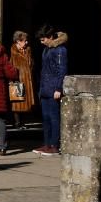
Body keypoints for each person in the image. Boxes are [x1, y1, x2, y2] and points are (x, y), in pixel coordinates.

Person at [35, 25, 68, 157]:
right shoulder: (47, 50)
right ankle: (47, 143)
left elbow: (62, 70)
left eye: (43, 39)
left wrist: (58, 88)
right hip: (45, 89)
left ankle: (54, 145)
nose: (41, 42)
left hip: (53, 89)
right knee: (46, 118)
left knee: (54, 118)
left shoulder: (60, 50)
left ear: (50, 37)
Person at [9, 30, 36, 129]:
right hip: (17, 79)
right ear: (18, 41)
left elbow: (32, 63)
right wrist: (12, 79)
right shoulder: (13, 51)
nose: (27, 42)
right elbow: (10, 66)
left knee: (26, 102)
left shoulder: (28, 50)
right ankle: (17, 122)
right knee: (17, 102)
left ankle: (22, 122)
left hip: (27, 79)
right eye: (24, 40)